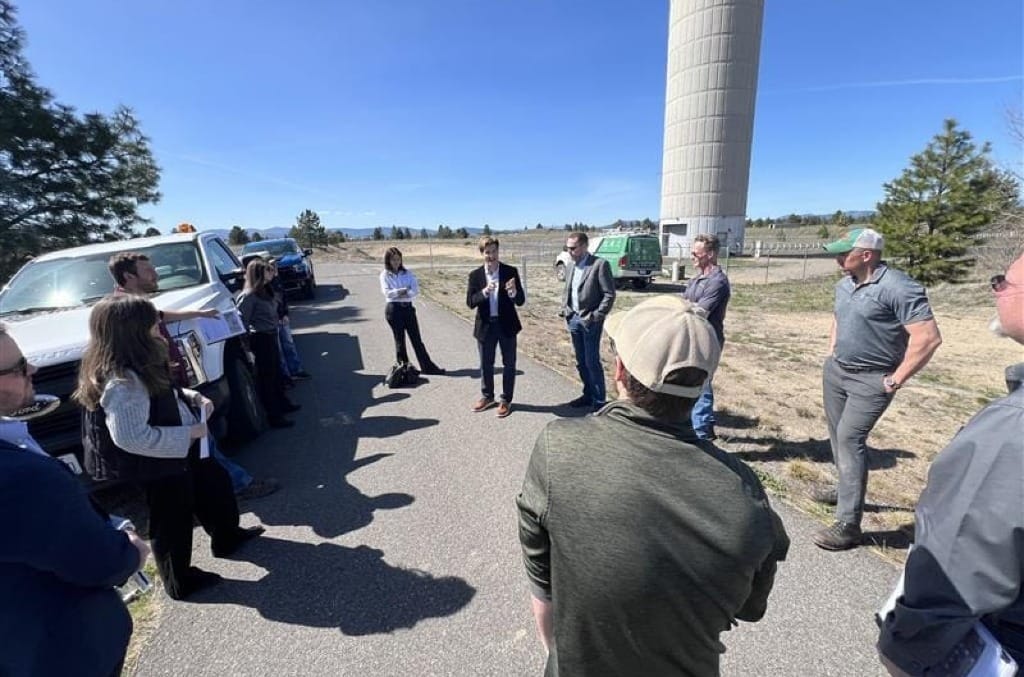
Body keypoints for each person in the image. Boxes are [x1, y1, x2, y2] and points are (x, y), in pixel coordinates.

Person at [517, 295, 790, 676]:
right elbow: (750, 607)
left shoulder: (558, 447)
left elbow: (542, 584)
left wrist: (557, 656)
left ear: (619, 370)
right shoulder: (745, 493)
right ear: (703, 385)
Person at [877, 253, 1024, 675]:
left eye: (1002, 282)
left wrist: (906, 647)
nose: (995, 291)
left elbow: (956, 569)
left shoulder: (1013, 428)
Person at [75, 295, 264, 601]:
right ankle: (179, 581)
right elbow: (131, 437)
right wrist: (189, 434)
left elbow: (165, 392)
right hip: (157, 462)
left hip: (180, 449)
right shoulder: (122, 382)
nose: (159, 329)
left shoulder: (139, 361)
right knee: (172, 519)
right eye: (153, 325)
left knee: (214, 485)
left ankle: (227, 537)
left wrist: (192, 397)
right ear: (133, 331)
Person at [0, 323, 151, 677]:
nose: (32, 369)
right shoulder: (20, 477)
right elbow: (100, 561)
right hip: (56, 653)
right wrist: (132, 549)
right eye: (19, 367)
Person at [108, 252, 280, 500]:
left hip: (167, 385)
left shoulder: (136, 305)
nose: (155, 274)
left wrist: (197, 313)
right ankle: (238, 485)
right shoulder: (124, 311)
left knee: (201, 443)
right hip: (156, 388)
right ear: (129, 276)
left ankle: (219, 492)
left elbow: (160, 315)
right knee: (201, 440)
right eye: (147, 270)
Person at [814, 228, 942, 551]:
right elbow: (838, 318)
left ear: (867, 255)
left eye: (845, 253)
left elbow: (928, 338)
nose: (838, 258)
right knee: (836, 435)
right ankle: (846, 490)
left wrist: (895, 379)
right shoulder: (844, 285)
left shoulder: (899, 287)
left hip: (871, 380)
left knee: (850, 438)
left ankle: (848, 525)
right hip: (837, 373)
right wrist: (832, 352)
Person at [466, 236, 526, 418]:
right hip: (485, 326)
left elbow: (521, 300)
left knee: (509, 364)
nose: (491, 256)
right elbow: (470, 302)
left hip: (506, 325)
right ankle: (488, 396)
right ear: (482, 254)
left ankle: (506, 399)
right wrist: (484, 292)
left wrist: (513, 292)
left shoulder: (510, 271)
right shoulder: (475, 275)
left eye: (494, 251)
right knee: (486, 364)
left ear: (498, 252)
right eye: (487, 252)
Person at [236, 258, 300, 429]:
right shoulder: (248, 296)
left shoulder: (265, 290)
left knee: (277, 374)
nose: (270, 272)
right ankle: (274, 415)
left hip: (272, 335)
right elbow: (242, 322)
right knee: (267, 378)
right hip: (261, 339)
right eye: (266, 270)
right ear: (258, 273)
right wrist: (247, 347)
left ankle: (283, 404)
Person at [681, 233, 731, 440]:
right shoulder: (696, 279)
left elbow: (700, 311)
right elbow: (684, 304)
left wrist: (685, 308)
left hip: (708, 339)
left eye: (696, 253)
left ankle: (701, 433)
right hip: (694, 336)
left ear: (710, 254)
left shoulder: (717, 281)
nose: (692, 257)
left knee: (701, 382)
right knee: (694, 380)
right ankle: (705, 425)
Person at [560, 231, 616, 412]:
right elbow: (568, 290)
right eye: (567, 248)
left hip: (590, 321)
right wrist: (565, 310)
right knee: (581, 361)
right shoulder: (570, 265)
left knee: (592, 361)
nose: (570, 252)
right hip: (573, 319)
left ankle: (599, 402)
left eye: (573, 248)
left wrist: (597, 316)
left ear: (585, 246)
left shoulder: (599, 265)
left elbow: (609, 294)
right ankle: (588, 394)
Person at [378, 247, 446, 375]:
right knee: (400, 341)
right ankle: (404, 370)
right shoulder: (384, 275)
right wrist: (403, 290)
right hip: (393, 310)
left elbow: (414, 290)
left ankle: (428, 367)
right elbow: (387, 293)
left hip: (408, 309)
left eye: (398, 259)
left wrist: (401, 292)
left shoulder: (407, 273)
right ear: (388, 261)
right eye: (393, 260)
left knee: (416, 339)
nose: (396, 262)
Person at [267, 258, 311, 382]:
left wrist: (285, 314)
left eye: (275, 265)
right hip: (273, 321)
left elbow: (284, 300)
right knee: (279, 350)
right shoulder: (265, 285)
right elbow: (270, 305)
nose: (274, 268)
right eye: (271, 266)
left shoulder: (277, 281)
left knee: (289, 345)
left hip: (283, 318)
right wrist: (277, 317)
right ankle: (286, 375)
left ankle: (296, 370)